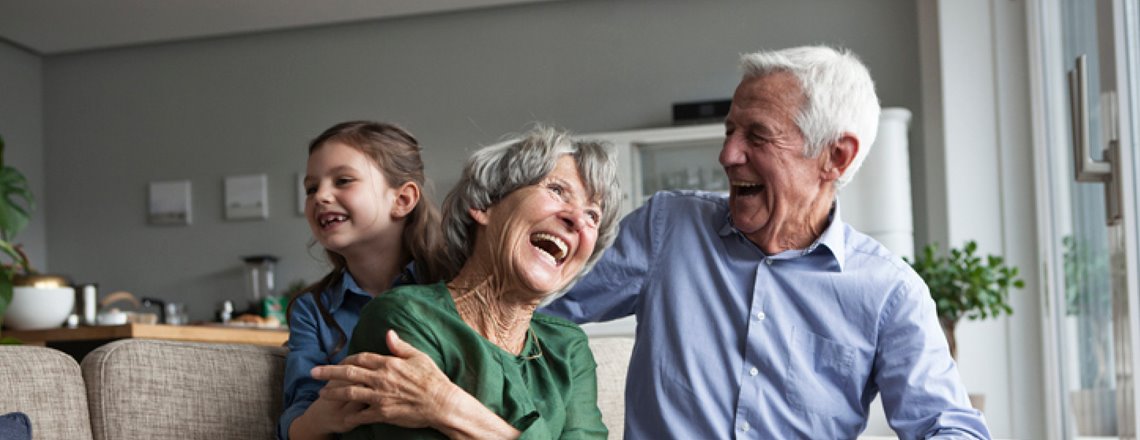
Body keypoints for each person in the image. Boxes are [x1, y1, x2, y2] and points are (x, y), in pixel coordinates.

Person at [539, 46, 993, 439]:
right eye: (729, 131)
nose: (728, 155)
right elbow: (529, 302)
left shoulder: (890, 293)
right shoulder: (667, 228)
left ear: (835, 157)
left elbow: (948, 427)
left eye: (757, 135)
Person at [338, 126, 621, 439]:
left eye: (593, 215)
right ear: (485, 204)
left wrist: (447, 406)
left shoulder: (567, 348)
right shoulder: (405, 318)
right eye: (557, 190)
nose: (578, 220)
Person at [279, 120, 451, 440]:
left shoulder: (453, 286)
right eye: (311, 188)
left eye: (343, 180)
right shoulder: (312, 310)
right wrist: (322, 418)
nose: (321, 196)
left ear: (402, 199)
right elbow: (297, 419)